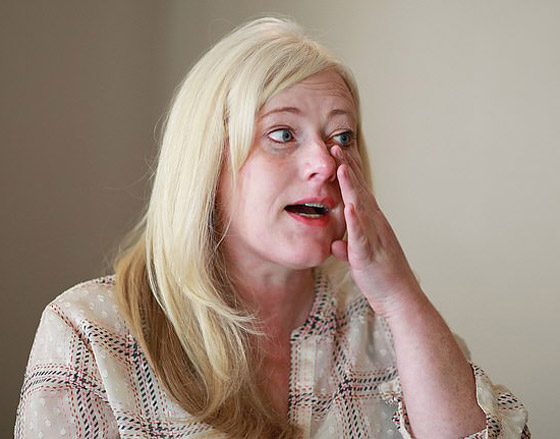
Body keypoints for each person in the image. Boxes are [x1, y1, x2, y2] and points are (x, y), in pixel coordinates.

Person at [15, 17, 530, 439]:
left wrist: (401, 297)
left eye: (342, 136)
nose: (325, 163)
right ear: (207, 162)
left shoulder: (387, 329)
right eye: (282, 134)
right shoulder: (89, 334)